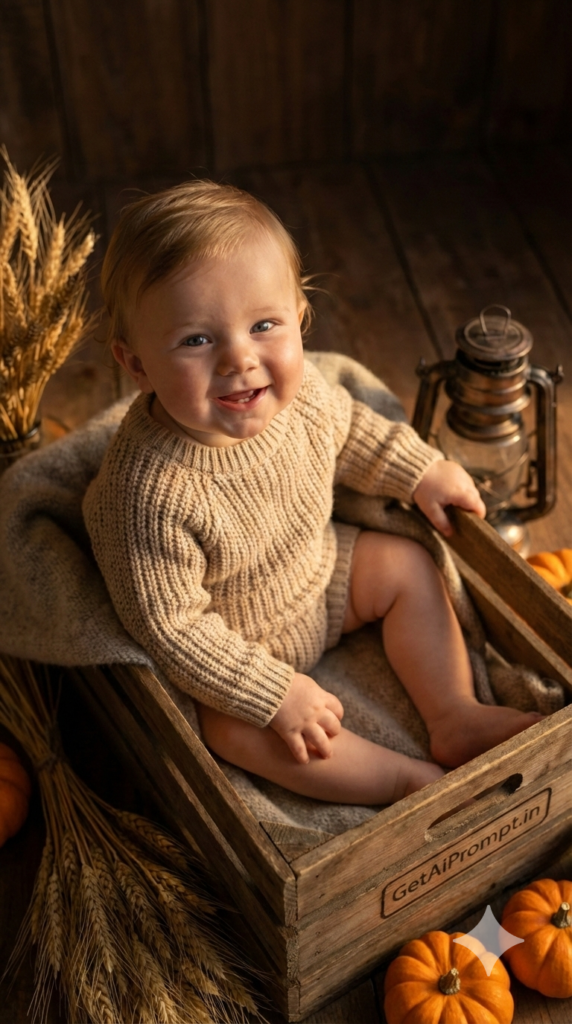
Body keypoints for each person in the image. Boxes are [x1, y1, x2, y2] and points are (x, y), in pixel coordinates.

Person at [83, 180, 542, 807]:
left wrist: (418, 470)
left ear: (300, 318)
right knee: (229, 731)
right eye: (196, 340)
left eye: (264, 324)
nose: (239, 360)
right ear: (135, 365)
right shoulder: (146, 493)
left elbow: (354, 432)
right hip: (239, 649)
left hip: (324, 579)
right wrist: (274, 693)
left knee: (406, 564)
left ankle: (454, 713)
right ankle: (401, 781)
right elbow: (173, 627)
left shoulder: (303, 400)